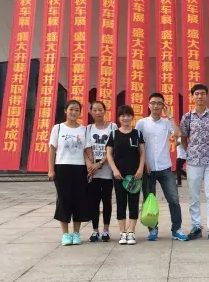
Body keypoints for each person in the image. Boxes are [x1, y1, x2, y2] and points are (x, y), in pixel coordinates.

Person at [136, 93, 189, 242]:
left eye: (159, 103)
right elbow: (138, 145)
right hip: (148, 169)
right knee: (149, 200)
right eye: (153, 103)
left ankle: (176, 229)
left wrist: (170, 116)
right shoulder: (141, 123)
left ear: (163, 106)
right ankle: (153, 229)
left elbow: (178, 134)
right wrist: (144, 163)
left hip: (165, 167)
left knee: (173, 199)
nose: (156, 106)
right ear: (148, 105)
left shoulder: (167, 123)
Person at [180, 83, 209, 241]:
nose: (200, 96)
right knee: (193, 195)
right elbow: (184, 138)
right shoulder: (187, 117)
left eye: (202, 93)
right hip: (193, 161)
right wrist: (190, 152)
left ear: (207, 96)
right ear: (192, 97)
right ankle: (196, 226)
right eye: (197, 94)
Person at [48, 100, 89, 246]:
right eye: (71, 109)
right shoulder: (58, 128)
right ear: (65, 111)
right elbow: (52, 149)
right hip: (62, 167)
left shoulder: (84, 130)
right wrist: (51, 169)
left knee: (79, 200)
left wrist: (90, 166)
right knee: (63, 200)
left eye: (77, 110)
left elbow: (87, 150)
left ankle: (76, 233)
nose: (74, 112)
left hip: (80, 168)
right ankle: (65, 234)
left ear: (80, 113)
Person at [106, 105, 145, 245]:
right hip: (119, 176)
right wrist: (114, 170)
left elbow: (142, 153)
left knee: (134, 203)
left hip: (135, 175)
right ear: (119, 118)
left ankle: (132, 232)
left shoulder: (137, 133)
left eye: (128, 115)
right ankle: (122, 232)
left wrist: (140, 169)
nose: (125, 118)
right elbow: (109, 154)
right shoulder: (114, 134)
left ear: (132, 117)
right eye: (122, 115)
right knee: (121, 202)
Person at [84, 101, 118, 242]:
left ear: (105, 111)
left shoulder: (112, 127)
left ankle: (105, 230)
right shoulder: (87, 129)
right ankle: (95, 230)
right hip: (92, 171)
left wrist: (101, 163)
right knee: (94, 201)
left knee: (107, 201)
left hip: (107, 170)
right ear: (91, 112)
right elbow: (84, 149)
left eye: (100, 110)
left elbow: (114, 148)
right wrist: (90, 166)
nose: (97, 112)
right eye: (95, 110)